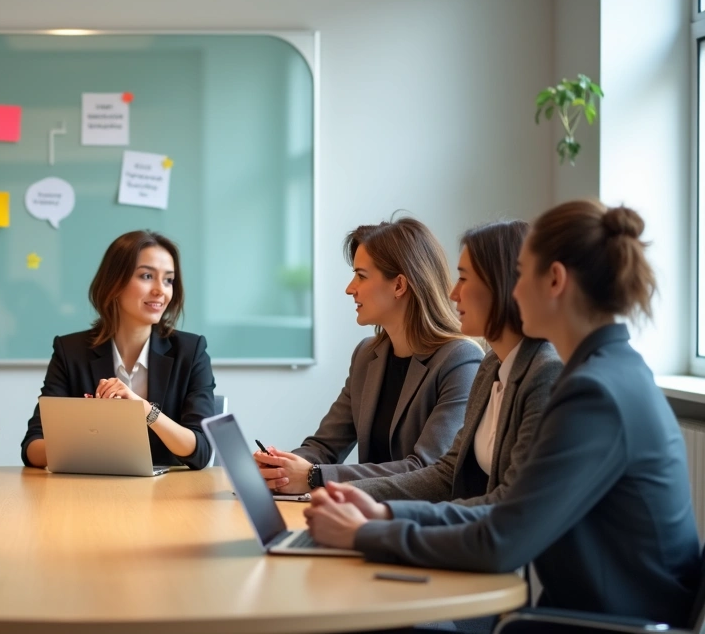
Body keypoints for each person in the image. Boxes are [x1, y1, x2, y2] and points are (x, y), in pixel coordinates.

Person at [304, 200, 701, 627]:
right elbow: (499, 507)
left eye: (522, 273)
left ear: (554, 280)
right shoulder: (606, 370)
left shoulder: (593, 392)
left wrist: (365, 533)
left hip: (607, 623)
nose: (514, 288)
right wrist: (384, 512)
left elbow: (502, 538)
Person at [255, 218, 483, 492]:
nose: (350, 288)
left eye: (361, 276)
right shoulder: (367, 355)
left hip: (422, 525)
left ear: (399, 286)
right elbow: (325, 446)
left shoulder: (460, 360)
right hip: (366, 517)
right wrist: (281, 469)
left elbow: (424, 469)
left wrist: (315, 476)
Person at [348, 220, 561, 505]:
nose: (452, 293)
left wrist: (388, 518)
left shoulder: (544, 373)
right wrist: (344, 494)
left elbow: (511, 507)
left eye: (463, 278)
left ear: (502, 284)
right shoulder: (490, 367)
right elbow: (447, 474)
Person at [21, 230, 215, 470]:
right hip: (90, 494)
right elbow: (32, 448)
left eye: (168, 280)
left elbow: (201, 450)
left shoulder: (191, 350)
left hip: (166, 497)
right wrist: (88, 434)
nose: (160, 291)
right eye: (146, 276)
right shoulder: (70, 351)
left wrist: (144, 410)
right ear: (115, 282)